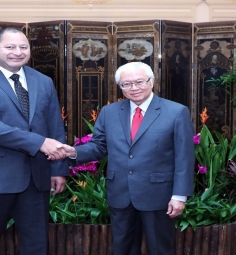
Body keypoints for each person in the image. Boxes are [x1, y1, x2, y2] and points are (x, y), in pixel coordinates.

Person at [57, 62, 195, 255]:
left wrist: (179, 196)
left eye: (139, 82)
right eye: (127, 84)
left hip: (158, 195)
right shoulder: (109, 112)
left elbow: (184, 158)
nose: (134, 88)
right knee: (122, 248)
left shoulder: (176, 112)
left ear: (152, 81)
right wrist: (72, 152)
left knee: (161, 249)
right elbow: (99, 146)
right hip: (120, 194)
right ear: (120, 87)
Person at [0, 27, 68, 255]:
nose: (18, 52)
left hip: (36, 177)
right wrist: (38, 142)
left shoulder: (43, 81)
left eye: (23, 47)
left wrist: (58, 168)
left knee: (37, 244)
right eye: (10, 46)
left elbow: (55, 125)